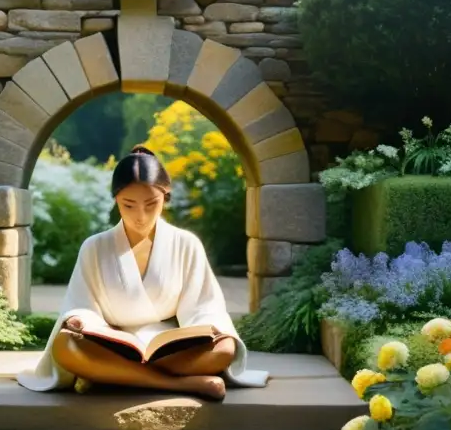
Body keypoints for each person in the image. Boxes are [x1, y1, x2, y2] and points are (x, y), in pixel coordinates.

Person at [17, 145, 269, 400]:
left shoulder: (185, 243)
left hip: (169, 347)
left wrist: (212, 328)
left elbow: (204, 306)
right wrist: (80, 321)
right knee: (65, 345)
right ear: (116, 199)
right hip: (112, 344)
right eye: (129, 205)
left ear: (165, 196)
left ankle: (114, 376)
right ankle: (181, 385)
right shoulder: (95, 247)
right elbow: (82, 305)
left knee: (225, 348)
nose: (141, 216)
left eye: (151, 204)